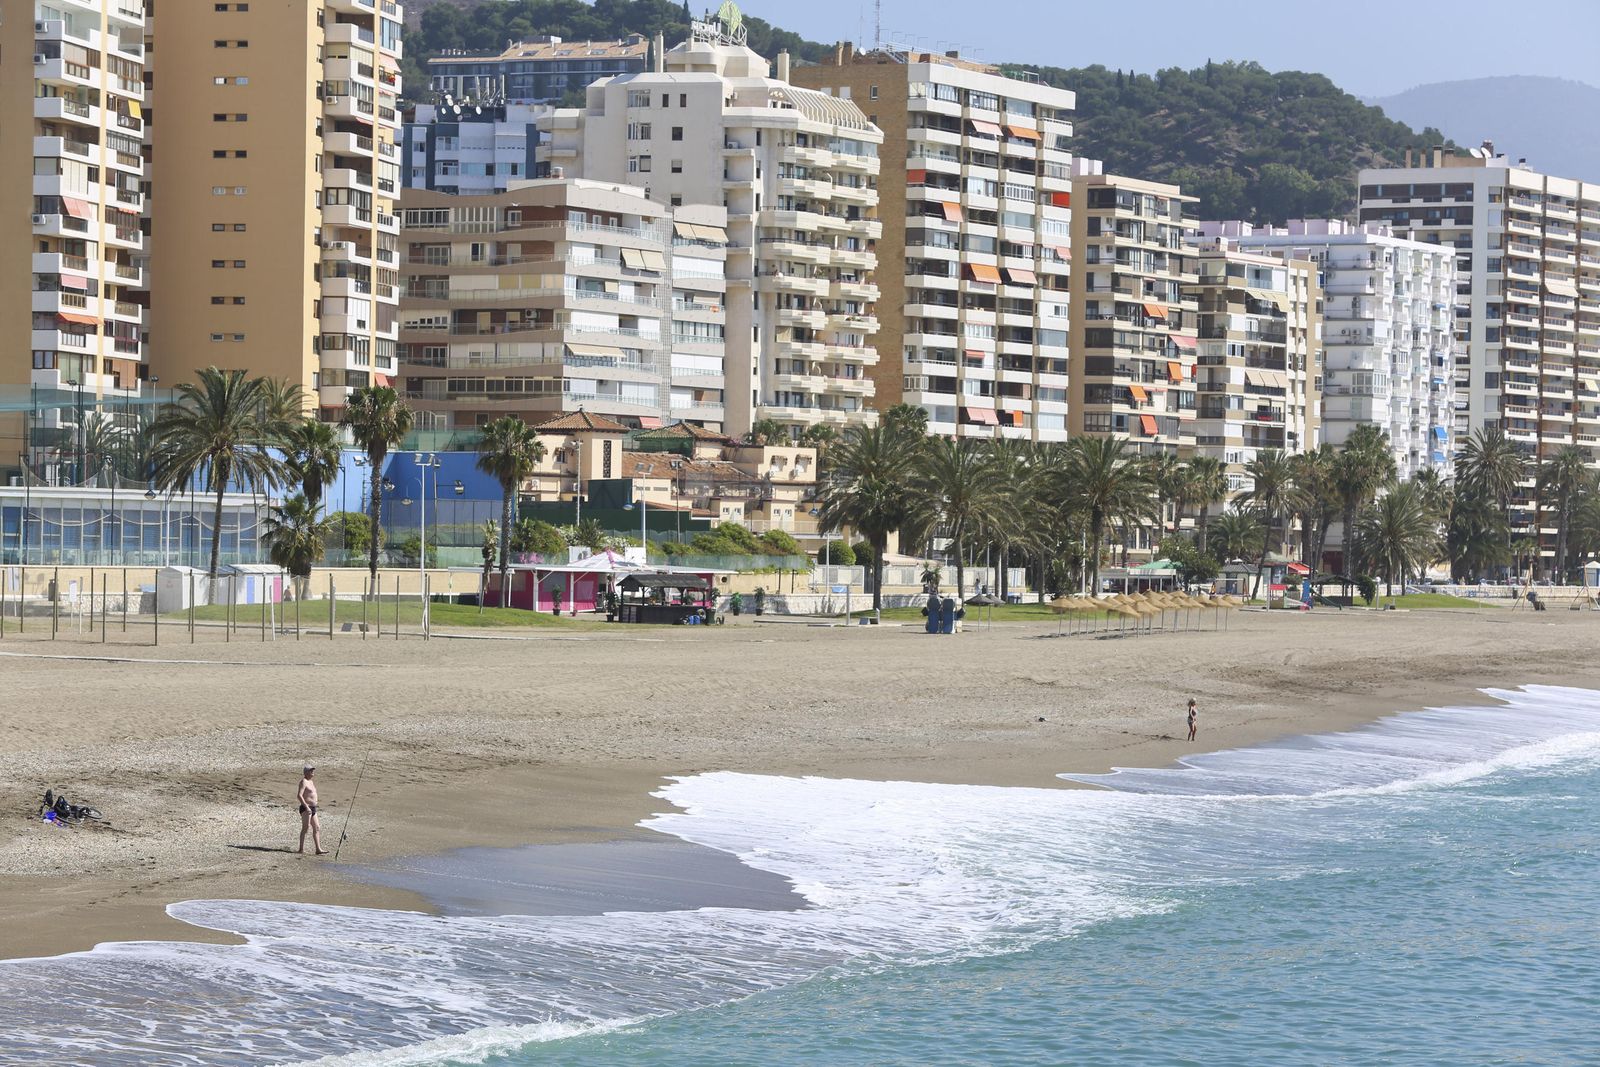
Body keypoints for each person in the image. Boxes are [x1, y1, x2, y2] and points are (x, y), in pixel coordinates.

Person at [298, 765, 327, 855]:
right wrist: (306, 807)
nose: (312, 772)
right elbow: (299, 795)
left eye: (313, 770)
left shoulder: (311, 781)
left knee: (317, 827)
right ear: (305, 772)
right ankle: (301, 849)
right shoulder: (304, 782)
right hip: (306, 808)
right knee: (305, 828)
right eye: (311, 771)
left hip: (313, 808)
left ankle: (318, 849)